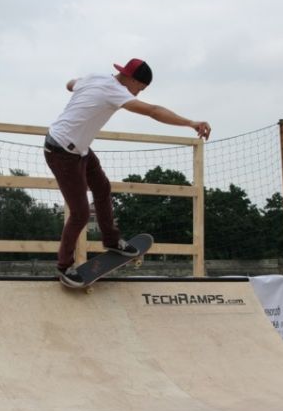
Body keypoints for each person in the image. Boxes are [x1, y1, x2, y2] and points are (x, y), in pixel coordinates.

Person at [44, 58, 211, 287]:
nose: (137, 94)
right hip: (61, 152)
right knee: (81, 213)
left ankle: (111, 240)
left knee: (102, 188)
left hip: (79, 150)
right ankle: (64, 268)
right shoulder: (114, 90)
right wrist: (191, 122)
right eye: (139, 88)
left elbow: (70, 84)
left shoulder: (95, 78)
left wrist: (80, 87)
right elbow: (153, 111)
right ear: (132, 79)